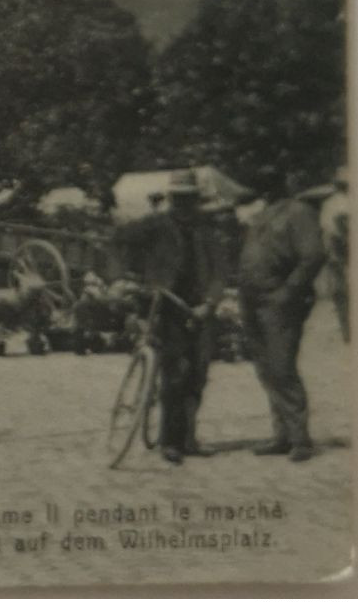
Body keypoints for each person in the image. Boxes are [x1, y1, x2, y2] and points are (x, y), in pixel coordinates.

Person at [118, 169, 227, 464]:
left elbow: (220, 271)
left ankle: (189, 438)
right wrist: (132, 276)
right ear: (171, 199)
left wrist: (210, 303)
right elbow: (120, 240)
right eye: (178, 198)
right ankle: (170, 442)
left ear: (196, 200)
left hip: (199, 307)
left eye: (189, 199)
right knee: (174, 373)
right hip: (165, 305)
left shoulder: (207, 230)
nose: (183, 205)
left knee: (197, 375)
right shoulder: (154, 225)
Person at [239, 174, 328, 462]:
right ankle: (282, 435)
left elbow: (313, 256)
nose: (264, 190)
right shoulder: (262, 216)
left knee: (282, 366)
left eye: (269, 183)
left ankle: (300, 439)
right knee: (266, 368)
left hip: (278, 301)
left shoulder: (298, 212)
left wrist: (288, 292)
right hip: (253, 301)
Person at [320, 167, 349, 343]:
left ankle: (347, 331)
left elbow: (327, 231)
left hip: (337, 252)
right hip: (339, 251)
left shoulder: (330, 204)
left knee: (341, 293)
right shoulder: (336, 203)